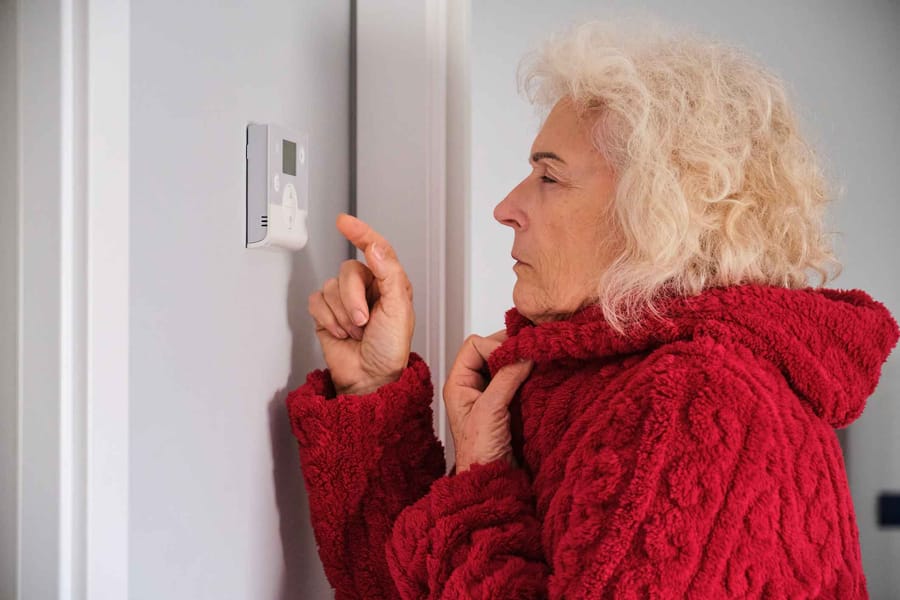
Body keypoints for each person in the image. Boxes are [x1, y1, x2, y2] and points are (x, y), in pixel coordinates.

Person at [286, 20, 898, 599]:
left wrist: (478, 489)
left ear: (656, 216)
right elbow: (398, 585)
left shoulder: (697, 400)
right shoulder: (592, 385)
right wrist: (373, 387)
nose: (505, 207)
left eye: (549, 178)